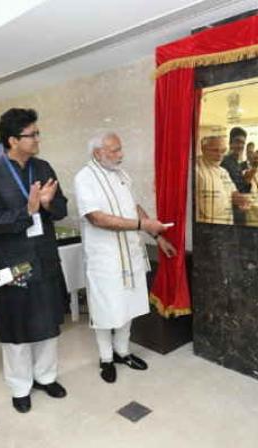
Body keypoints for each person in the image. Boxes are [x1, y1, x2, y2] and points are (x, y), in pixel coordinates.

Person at [0, 108, 68, 414]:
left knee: (48, 321)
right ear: (13, 140)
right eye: (32, 134)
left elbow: (62, 209)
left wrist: (49, 204)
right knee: (16, 327)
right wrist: (26, 212)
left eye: (38, 133)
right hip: (12, 261)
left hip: (44, 256)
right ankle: (20, 386)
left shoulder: (43, 167)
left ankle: (46, 376)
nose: (38, 139)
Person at [73, 132, 177, 383]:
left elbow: (135, 207)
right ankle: (106, 358)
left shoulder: (122, 175)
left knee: (128, 305)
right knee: (105, 307)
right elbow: (96, 218)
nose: (121, 155)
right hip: (105, 258)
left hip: (130, 253)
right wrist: (142, 224)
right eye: (114, 150)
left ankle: (123, 352)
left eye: (121, 149)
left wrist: (157, 236)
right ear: (98, 153)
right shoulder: (84, 178)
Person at [195, 136, 249, 225]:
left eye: (223, 151)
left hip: (226, 226)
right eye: (215, 150)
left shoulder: (223, 171)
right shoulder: (196, 170)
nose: (220, 155)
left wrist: (241, 199)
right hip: (206, 229)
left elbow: (232, 192)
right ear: (203, 149)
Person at [221, 127, 250, 225]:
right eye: (237, 142)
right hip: (230, 211)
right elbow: (230, 189)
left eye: (243, 143)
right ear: (230, 143)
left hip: (240, 209)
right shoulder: (224, 162)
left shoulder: (237, 162)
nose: (240, 145)